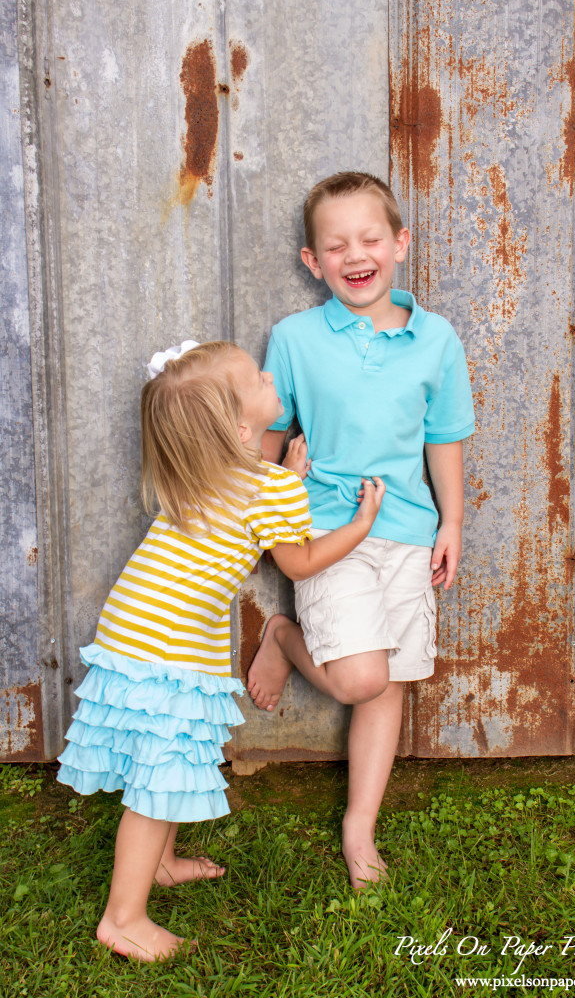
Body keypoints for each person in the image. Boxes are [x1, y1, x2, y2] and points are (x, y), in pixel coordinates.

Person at [57, 339, 385, 961]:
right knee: (157, 782)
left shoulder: (200, 474)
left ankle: (161, 864)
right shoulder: (270, 489)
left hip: (137, 629)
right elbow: (303, 560)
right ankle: (123, 919)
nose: (269, 375)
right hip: (171, 645)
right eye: (259, 378)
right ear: (240, 426)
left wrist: (284, 479)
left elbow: (249, 506)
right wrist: (359, 526)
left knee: (170, 758)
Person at [247, 171, 475, 889]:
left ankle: (359, 825)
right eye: (335, 244)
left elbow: (443, 437)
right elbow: (268, 430)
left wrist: (452, 522)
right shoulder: (295, 338)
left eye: (370, 238)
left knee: (389, 684)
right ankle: (283, 636)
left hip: (407, 530)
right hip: (323, 529)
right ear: (313, 262)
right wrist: (276, 478)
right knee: (359, 677)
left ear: (398, 244)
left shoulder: (435, 339)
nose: (355, 254)